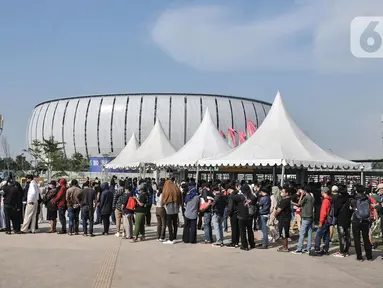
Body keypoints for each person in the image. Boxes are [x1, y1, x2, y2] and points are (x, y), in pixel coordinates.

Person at [231, 184, 256, 251]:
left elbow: (231, 196)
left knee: (242, 231)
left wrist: (236, 190)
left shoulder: (240, 197)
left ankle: (245, 245)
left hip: (241, 216)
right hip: (250, 216)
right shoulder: (253, 197)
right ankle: (252, 244)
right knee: (250, 230)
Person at [351, 185, 372, 262]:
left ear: (356, 191)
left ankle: (359, 257)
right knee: (366, 237)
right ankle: (369, 256)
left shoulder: (354, 199)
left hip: (356, 219)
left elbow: (352, 208)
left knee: (357, 238)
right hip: (365, 219)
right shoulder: (367, 199)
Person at [292, 186, 314, 254]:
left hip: (305, 217)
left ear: (304, 191)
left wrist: (301, 196)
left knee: (302, 233)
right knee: (310, 232)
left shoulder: (306, 197)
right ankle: (308, 248)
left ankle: (299, 248)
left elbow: (299, 203)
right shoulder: (312, 197)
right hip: (310, 216)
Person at [311, 187, 332, 256]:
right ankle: (326, 249)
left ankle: (317, 249)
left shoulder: (325, 201)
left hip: (324, 221)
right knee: (326, 235)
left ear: (323, 192)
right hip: (328, 220)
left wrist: (320, 222)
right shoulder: (330, 199)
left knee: (318, 235)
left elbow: (323, 212)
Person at [332, 186, 352, 258]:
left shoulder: (338, 199)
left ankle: (341, 251)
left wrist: (335, 216)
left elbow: (336, 210)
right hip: (348, 218)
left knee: (341, 236)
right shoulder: (349, 198)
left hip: (340, 219)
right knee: (347, 235)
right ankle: (347, 250)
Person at [161, 179, 182, 245]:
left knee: (169, 224)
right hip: (176, 208)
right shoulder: (176, 187)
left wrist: (162, 204)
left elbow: (163, 198)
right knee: (175, 224)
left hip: (169, 208)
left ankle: (171, 238)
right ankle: (174, 237)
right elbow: (180, 196)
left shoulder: (166, 188)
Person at [273, 187, 292, 252]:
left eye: (283, 192)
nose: (281, 192)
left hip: (284, 219)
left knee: (284, 234)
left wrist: (274, 215)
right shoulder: (286, 200)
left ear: (286, 193)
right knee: (284, 233)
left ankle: (285, 247)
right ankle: (284, 246)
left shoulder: (285, 201)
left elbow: (278, 210)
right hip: (284, 218)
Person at [226, 184, 240, 248]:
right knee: (238, 228)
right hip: (239, 213)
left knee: (234, 228)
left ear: (229, 190)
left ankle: (233, 242)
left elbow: (230, 206)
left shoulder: (231, 196)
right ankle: (237, 241)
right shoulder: (238, 194)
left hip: (233, 213)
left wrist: (229, 214)